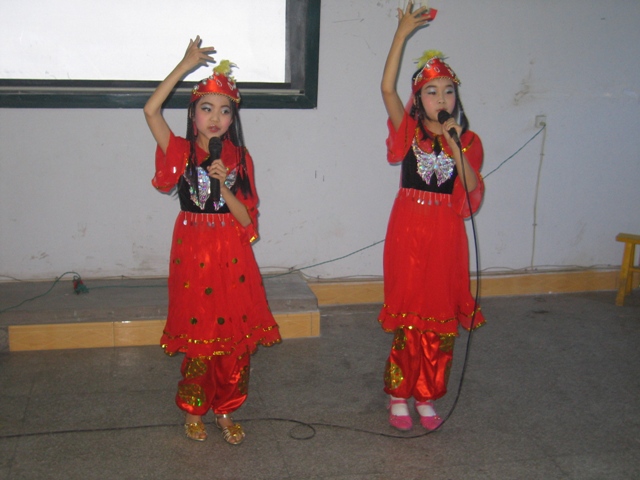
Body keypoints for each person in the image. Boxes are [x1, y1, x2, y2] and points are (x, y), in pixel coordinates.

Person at [144, 36, 281, 445]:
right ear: (193, 113)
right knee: (200, 335)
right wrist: (185, 66)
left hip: (232, 256)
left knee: (233, 341)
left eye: (225, 110)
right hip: (193, 253)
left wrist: (225, 186)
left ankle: (225, 409)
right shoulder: (180, 151)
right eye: (207, 108)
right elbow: (150, 111)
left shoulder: (240, 158)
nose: (216, 118)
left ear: (233, 117)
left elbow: (247, 220)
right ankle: (192, 410)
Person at [379, 2, 486, 431]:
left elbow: (472, 187)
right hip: (408, 232)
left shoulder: (469, 139)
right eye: (431, 91)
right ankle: (398, 394)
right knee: (410, 317)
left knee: (440, 318)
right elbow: (387, 90)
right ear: (418, 100)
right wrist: (401, 35)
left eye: (448, 91)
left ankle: (427, 395)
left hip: (445, 235)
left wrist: (456, 145)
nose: (441, 99)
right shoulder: (408, 132)